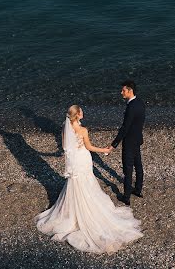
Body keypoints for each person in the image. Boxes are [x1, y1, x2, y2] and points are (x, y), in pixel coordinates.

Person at [35, 105, 142, 254]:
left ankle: (72, 211)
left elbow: (66, 148)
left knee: (75, 184)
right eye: (81, 111)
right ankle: (86, 212)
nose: (83, 112)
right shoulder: (83, 130)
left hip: (74, 162)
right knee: (87, 184)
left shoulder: (66, 129)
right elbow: (89, 147)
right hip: (83, 159)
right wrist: (105, 150)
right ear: (78, 114)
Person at [109, 80, 146, 206]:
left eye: (123, 90)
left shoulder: (131, 107)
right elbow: (139, 123)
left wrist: (114, 143)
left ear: (130, 91)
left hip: (129, 142)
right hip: (137, 139)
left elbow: (125, 128)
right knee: (138, 166)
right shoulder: (140, 103)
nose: (121, 92)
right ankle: (138, 189)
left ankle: (126, 197)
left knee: (128, 169)